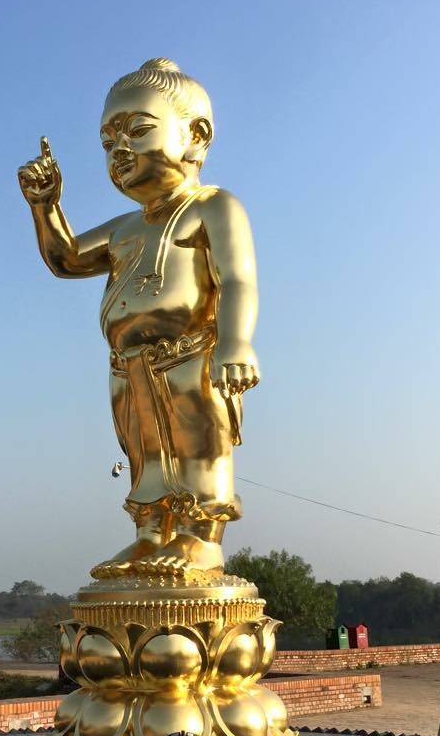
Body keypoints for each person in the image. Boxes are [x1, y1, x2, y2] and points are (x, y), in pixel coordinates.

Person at [18, 58, 260, 580]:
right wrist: (45, 206)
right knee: (144, 452)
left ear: (196, 136)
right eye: (108, 143)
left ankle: (200, 537)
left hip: (190, 356)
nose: (120, 150)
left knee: (199, 447)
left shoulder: (213, 207)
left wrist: (236, 342)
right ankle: (150, 533)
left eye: (138, 130)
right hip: (128, 366)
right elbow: (67, 259)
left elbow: (237, 280)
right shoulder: (125, 227)